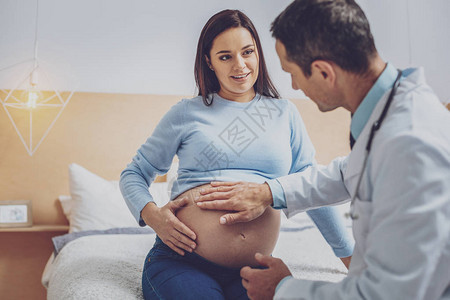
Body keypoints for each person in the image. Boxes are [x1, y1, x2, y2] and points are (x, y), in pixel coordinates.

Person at [194, 1, 450, 299]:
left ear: (323, 72)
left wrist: (283, 288)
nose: (294, 85)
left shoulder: (410, 145)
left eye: (292, 73)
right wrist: (268, 192)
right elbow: (345, 173)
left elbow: (386, 295)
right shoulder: (392, 110)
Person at [120, 9, 354, 300]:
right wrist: (152, 215)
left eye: (247, 52)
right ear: (209, 61)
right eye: (225, 56)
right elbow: (134, 173)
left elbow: (312, 188)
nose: (240, 64)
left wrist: (350, 258)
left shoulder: (284, 114)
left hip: (254, 270)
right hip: (183, 261)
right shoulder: (186, 113)